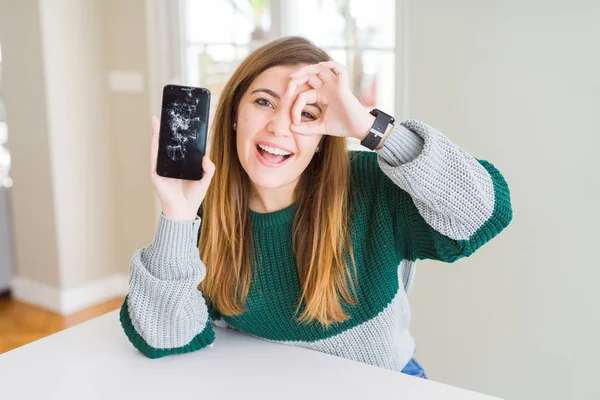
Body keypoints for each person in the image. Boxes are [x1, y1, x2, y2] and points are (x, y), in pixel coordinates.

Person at [119, 36, 513, 379]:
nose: (279, 126)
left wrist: (370, 128)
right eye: (263, 102)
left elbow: (483, 214)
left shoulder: (373, 186)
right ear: (235, 115)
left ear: (324, 135)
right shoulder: (205, 208)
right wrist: (177, 215)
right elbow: (165, 337)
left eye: (307, 113)